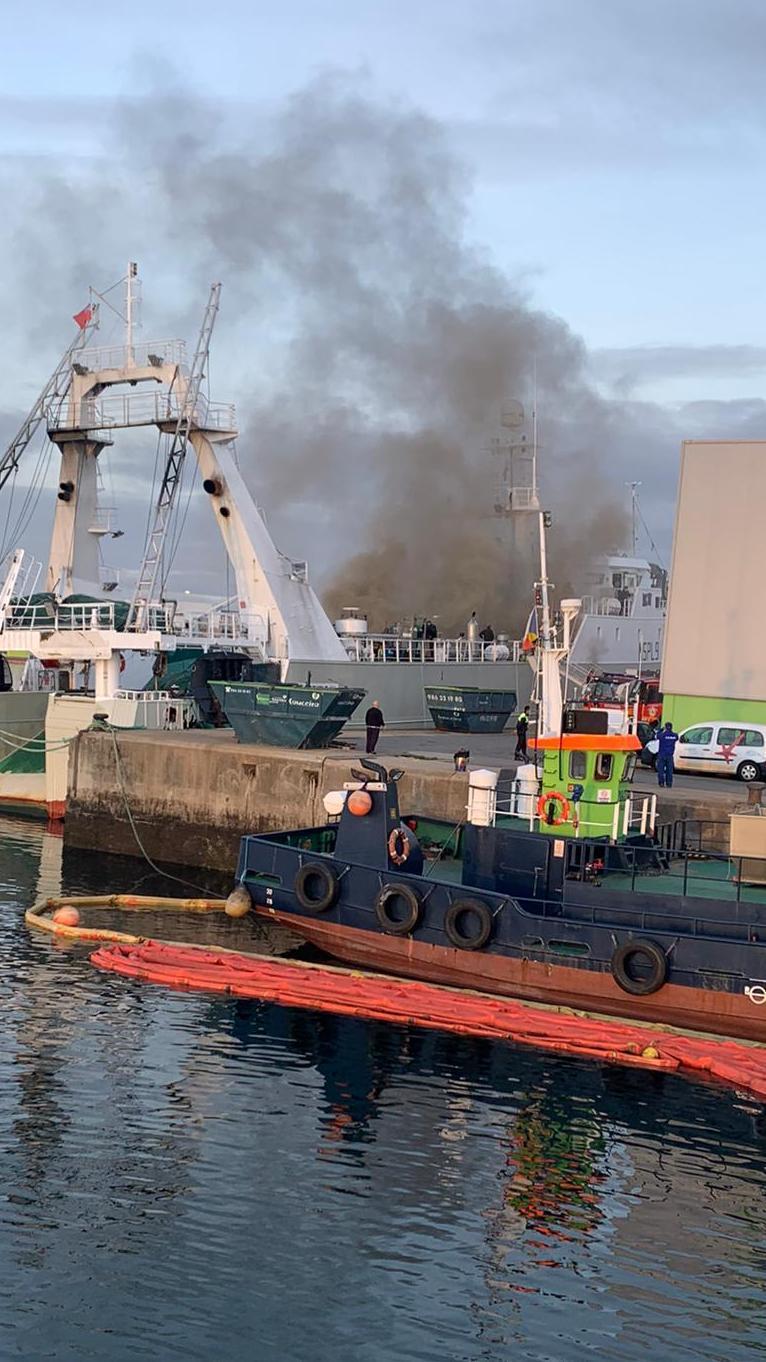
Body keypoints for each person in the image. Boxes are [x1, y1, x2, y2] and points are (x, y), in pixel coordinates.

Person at [656, 721, 679, 788]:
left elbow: (657, 735)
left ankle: (661, 783)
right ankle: (669, 783)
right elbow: (677, 738)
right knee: (669, 771)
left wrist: (661, 730)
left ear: (665, 727)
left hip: (662, 755)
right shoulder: (675, 735)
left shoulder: (662, 735)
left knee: (661, 770)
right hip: (670, 755)